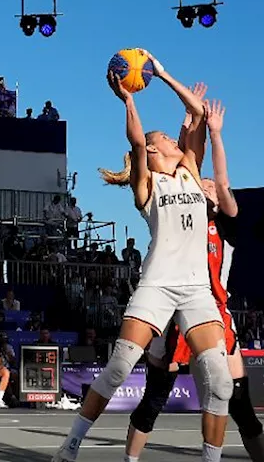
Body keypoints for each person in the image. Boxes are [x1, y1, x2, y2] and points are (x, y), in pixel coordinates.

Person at [54, 53, 232, 462]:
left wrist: (163, 72)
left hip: (195, 289)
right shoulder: (146, 184)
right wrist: (129, 100)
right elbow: (136, 141)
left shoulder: (190, 167)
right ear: (153, 150)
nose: (175, 138)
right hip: (156, 284)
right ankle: (71, 446)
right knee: (118, 367)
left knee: (220, 382)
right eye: (165, 138)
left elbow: (198, 111)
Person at [123, 97, 264, 462]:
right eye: (197, 183)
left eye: (207, 187)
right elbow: (178, 161)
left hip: (213, 314)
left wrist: (212, 133)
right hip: (173, 310)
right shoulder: (172, 209)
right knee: (153, 400)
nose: (200, 184)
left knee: (238, 404)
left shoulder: (225, 226)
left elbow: (210, 170)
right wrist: (188, 125)